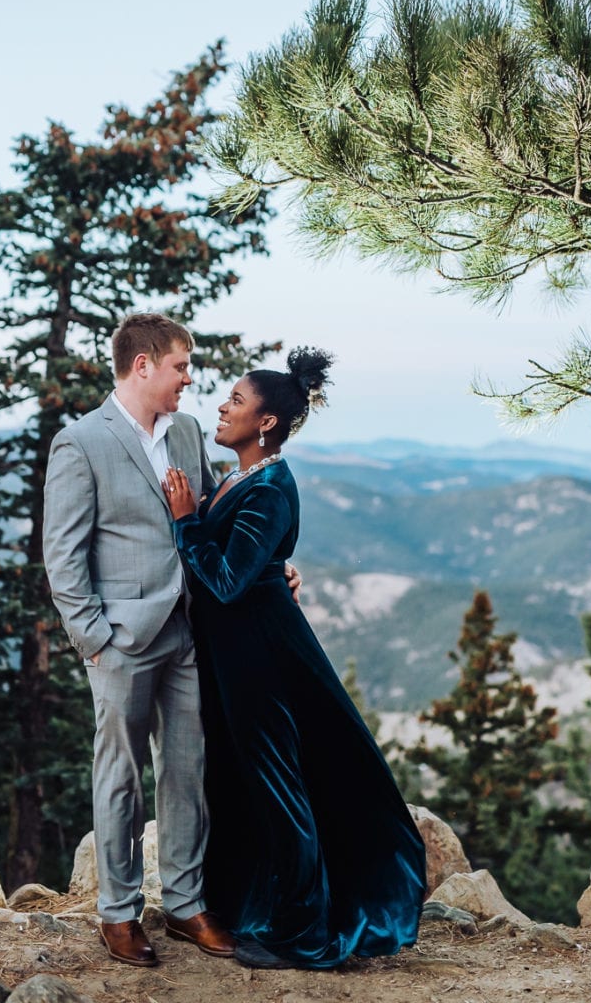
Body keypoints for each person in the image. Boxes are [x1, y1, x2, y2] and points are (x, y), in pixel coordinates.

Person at [162, 346, 427, 970]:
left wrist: (185, 522)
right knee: (243, 785)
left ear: (266, 424)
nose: (221, 408)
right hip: (235, 656)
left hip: (262, 659)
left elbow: (226, 581)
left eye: (236, 402)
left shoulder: (273, 487)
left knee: (281, 791)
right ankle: (252, 907)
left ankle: (304, 935)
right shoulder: (237, 478)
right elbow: (253, 567)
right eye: (226, 397)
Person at [42, 313, 236, 967]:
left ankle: (183, 904)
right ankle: (118, 913)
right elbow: (63, 557)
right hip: (121, 640)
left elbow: (206, 517)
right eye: (181, 365)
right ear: (143, 365)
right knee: (120, 775)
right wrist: (94, 638)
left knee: (187, 768)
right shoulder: (81, 442)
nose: (190, 378)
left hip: (185, 631)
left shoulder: (184, 432)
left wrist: (268, 566)